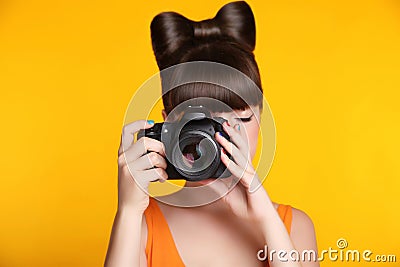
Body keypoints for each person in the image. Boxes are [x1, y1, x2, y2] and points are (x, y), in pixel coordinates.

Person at [105, 1, 319, 266]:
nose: (216, 135)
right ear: (168, 125)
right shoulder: (142, 225)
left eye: (238, 118)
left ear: (260, 118)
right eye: (199, 120)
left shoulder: (292, 225)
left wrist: (265, 217)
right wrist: (127, 212)